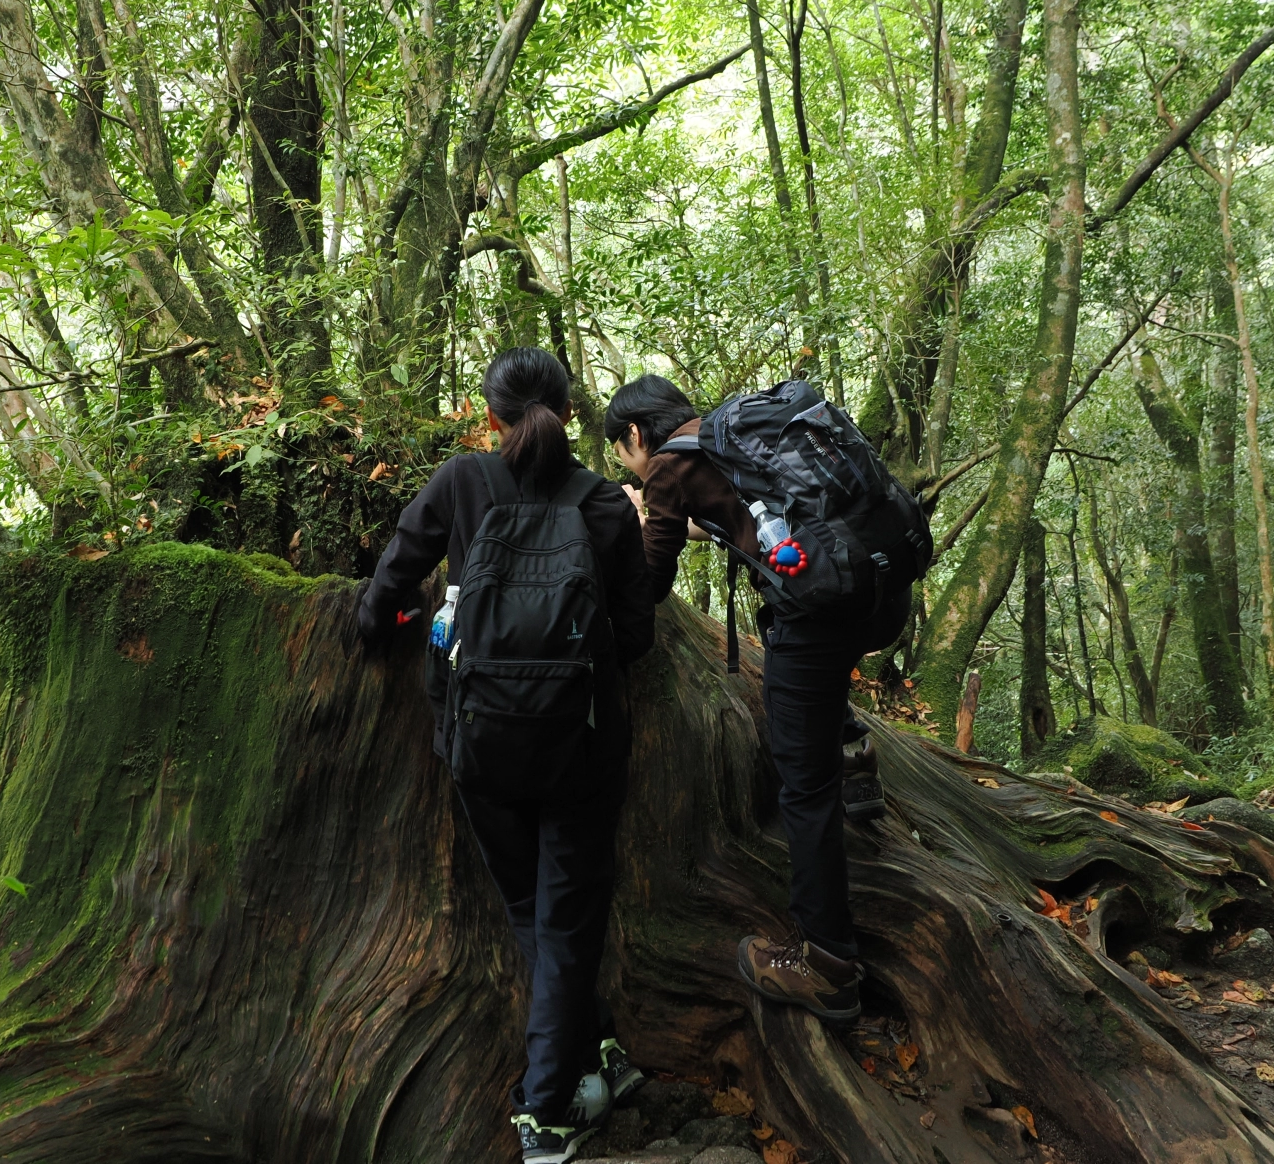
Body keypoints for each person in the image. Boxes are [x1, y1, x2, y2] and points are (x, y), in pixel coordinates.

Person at [360, 347, 654, 1164]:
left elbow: (393, 580)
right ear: (566, 408)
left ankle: (563, 1083)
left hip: (480, 741)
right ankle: (557, 1096)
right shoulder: (601, 505)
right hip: (581, 747)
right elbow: (634, 637)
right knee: (562, 916)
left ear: (490, 418)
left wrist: (374, 627)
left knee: (533, 909)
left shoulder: (461, 484)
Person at [605, 372, 885, 1027]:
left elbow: (649, 582)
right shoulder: (729, 438)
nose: (632, 463)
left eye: (623, 451)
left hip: (813, 618)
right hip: (873, 588)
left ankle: (829, 967)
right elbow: (740, 521)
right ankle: (856, 753)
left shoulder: (669, 468)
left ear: (636, 436)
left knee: (802, 784)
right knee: (819, 690)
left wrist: (637, 521)